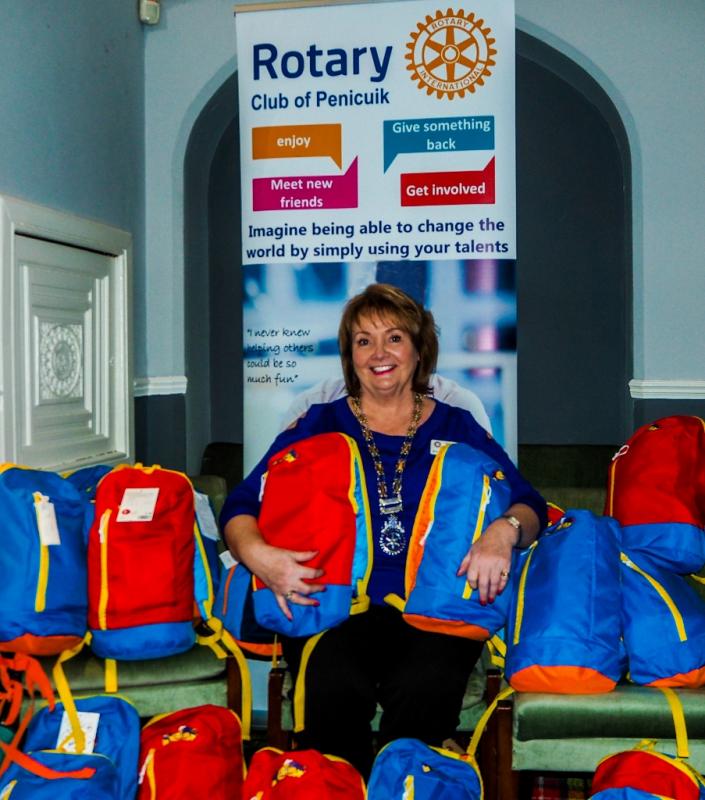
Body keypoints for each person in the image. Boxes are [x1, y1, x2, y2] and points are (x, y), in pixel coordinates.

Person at [221, 283, 546, 777]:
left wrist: (502, 532)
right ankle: (336, 785)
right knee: (332, 684)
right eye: (363, 341)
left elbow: (529, 504)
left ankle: (406, 784)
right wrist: (261, 557)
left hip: (431, 607)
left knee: (423, 686)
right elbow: (242, 505)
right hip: (337, 604)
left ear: (418, 350)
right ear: (349, 357)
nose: (379, 354)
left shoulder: (457, 426)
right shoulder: (316, 423)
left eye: (394, 338)